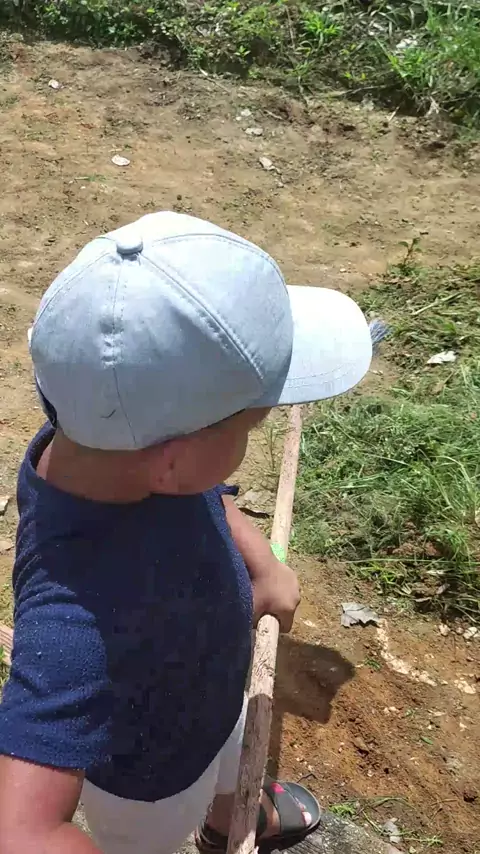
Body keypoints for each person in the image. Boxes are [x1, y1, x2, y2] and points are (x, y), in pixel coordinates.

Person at [0, 212, 372, 854]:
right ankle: (205, 821)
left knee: (231, 756)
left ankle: (232, 818)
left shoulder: (102, 442)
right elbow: (21, 830)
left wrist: (263, 568)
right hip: (154, 779)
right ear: (173, 461)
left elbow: (207, 497)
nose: (249, 440)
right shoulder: (70, 624)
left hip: (212, 685)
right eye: (250, 427)